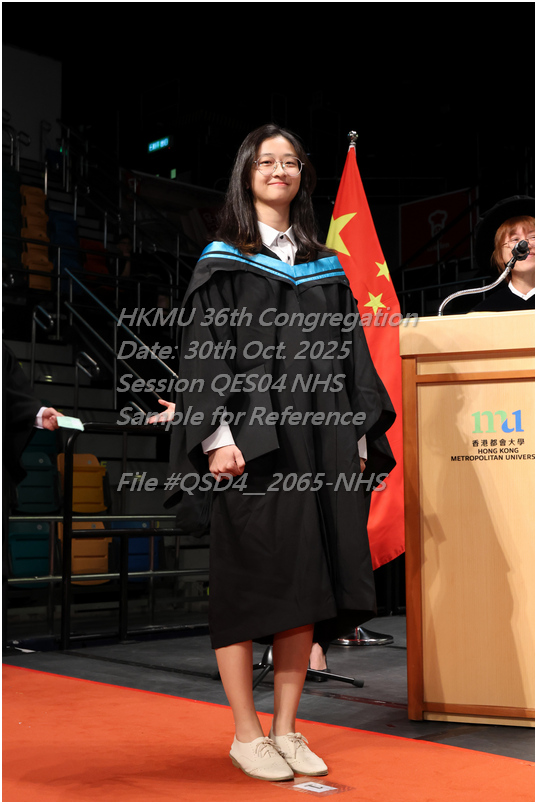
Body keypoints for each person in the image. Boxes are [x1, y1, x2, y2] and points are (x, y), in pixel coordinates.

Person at [159, 124, 396, 781]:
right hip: (254, 445)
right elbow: (205, 352)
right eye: (266, 161)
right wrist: (217, 438)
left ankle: (287, 729)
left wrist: (354, 436)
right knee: (247, 585)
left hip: (319, 445)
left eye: (290, 161)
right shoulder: (224, 261)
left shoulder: (325, 266)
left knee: (306, 585)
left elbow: (349, 356)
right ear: (246, 174)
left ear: (301, 177)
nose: (279, 170)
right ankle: (246, 733)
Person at [471, 196, 535, 312]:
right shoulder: (485, 313)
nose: (525, 245)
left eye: (533, 237)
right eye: (515, 240)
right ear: (500, 256)